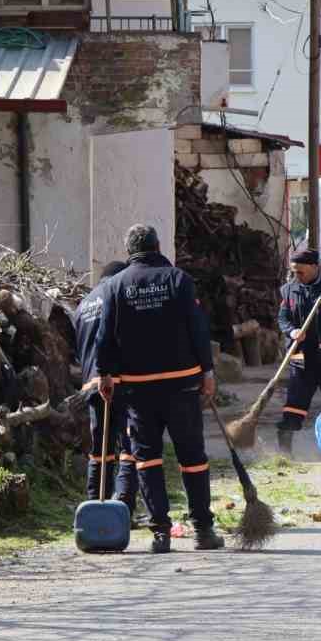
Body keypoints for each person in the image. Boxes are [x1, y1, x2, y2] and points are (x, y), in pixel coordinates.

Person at [97, 224, 224, 553]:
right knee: (192, 457)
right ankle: (203, 530)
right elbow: (198, 328)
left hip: (138, 389)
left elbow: (104, 336)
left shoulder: (115, 286)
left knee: (147, 459)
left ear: (129, 251)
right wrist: (207, 371)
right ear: (158, 246)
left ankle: (160, 534)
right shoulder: (179, 280)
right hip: (182, 384)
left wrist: (104, 375)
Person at [74, 259, 136, 513]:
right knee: (130, 445)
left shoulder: (83, 304)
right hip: (118, 379)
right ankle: (124, 505)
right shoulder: (118, 294)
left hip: (91, 382)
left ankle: (95, 503)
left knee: (100, 448)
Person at [275, 248, 321, 455]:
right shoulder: (290, 289)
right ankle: (284, 453)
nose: (296, 275)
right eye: (294, 271)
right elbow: (283, 318)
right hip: (302, 357)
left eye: (301, 271)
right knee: (294, 403)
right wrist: (292, 331)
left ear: (315, 267)